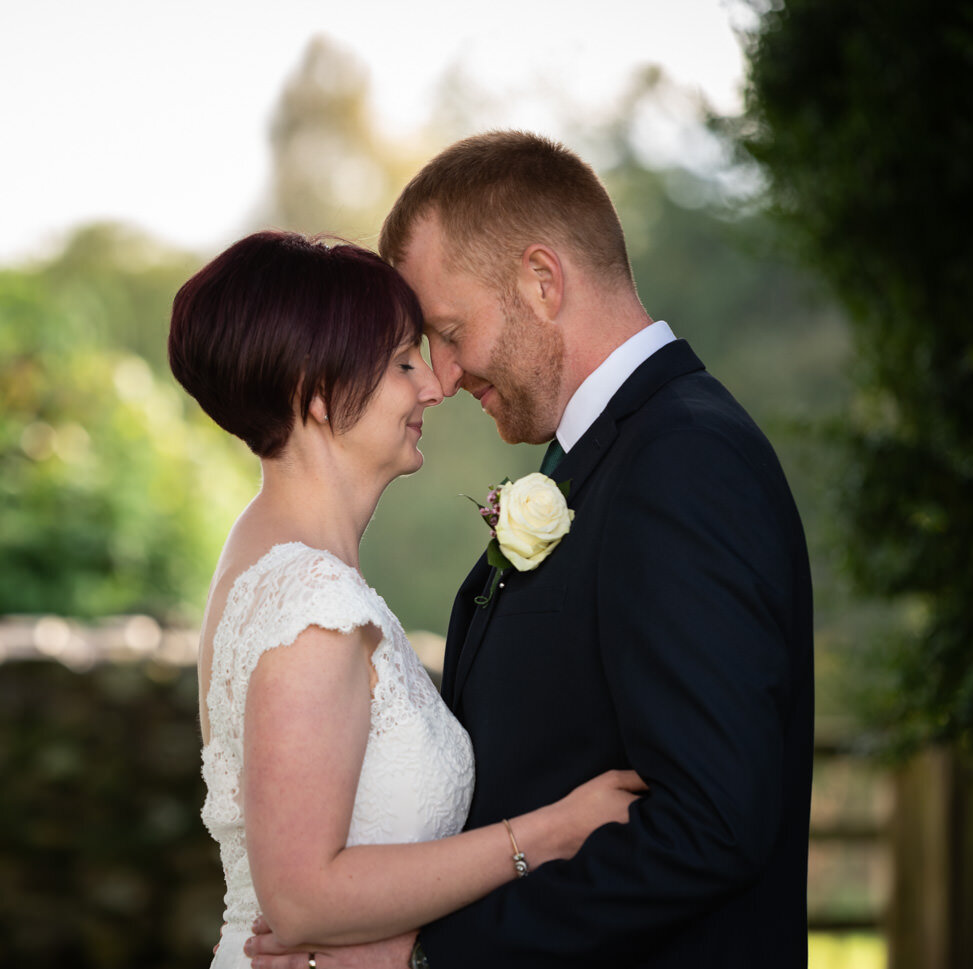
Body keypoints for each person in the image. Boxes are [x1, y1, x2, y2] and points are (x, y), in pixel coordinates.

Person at [247, 132, 815, 968]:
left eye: (449, 329)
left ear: (542, 281)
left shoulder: (685, 460)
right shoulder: (609, 461)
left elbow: (710, 825)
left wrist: (429, 956)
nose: (440, 378)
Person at [168, 230, 646, 969]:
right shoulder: (312, 600)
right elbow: (301, 899)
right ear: (317, 393)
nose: (432, 385)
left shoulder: (264, 552)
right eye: (400, 362)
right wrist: (552, 831)